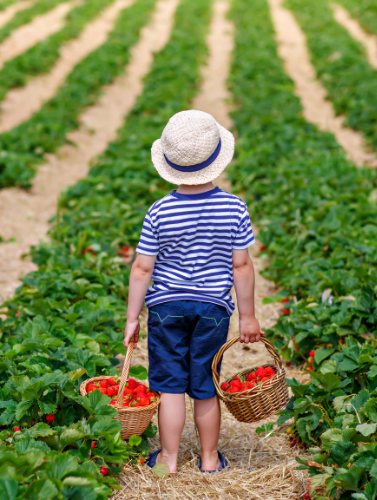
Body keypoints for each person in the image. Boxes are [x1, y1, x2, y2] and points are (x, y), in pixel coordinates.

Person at [123, 110, 263, 475]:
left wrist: (131, 318)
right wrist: (247, 316)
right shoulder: (234, 207)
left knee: (170, 386)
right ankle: (210, 459)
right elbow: (242, 267)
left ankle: (168, 459)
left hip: (166, 307)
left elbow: (142, 268)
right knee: (204, 384)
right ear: (217, 161)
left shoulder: (159, 211)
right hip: (212, 309)